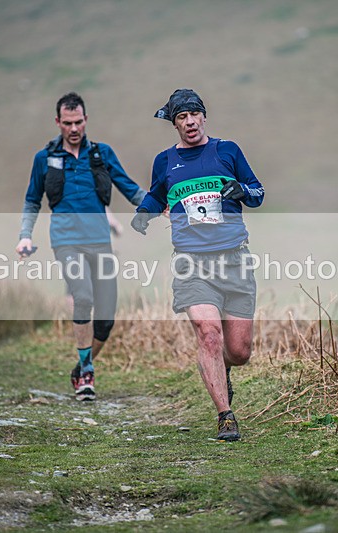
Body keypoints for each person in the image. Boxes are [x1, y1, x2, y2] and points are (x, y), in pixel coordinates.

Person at [130, 88, 265, 441]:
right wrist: (143, 214)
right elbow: (158, 193)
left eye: (194, 115)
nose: (189, 122)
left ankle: (223, 370)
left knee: (239, 351)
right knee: (208, 334)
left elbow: (257, 192)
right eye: (181, 118)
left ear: (204, 116)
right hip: (191, 263)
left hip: (234, 261)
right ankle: (225, 415)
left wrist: (242, 192)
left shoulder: (227, 151)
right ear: (174, 123)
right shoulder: (165, 160)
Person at [16, 92, 146, 401]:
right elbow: (32, 200)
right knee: (83, 297)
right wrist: (25, 235)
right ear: (58, 122)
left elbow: (128, 187)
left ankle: (81, 366)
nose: (74, 129)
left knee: (106, 321)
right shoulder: (44, 159)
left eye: (79, 122)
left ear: (85, 120)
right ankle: (87, 375)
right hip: (66, 242)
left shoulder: (101, 154)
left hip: (99, 241)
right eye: (68, 123)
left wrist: (157, 206)